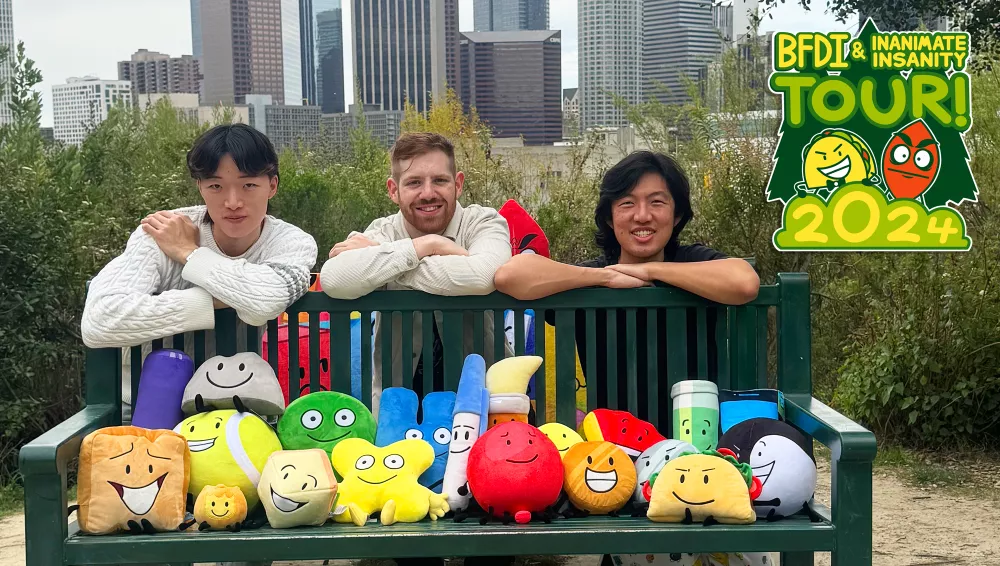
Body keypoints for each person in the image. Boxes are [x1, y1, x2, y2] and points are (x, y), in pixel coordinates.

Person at [494, 150, 760, 426]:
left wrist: (649, 270)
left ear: (677, 214)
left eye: (657, 202)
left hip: (696, 437)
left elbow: (745, 282)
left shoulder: (694, 263)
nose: (642, 216)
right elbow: (509, 276)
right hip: (614, 443)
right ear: (609, 217)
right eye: (627, 203)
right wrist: (604, 278)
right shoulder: (595, 276)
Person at [81, 123, 319, 422]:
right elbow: (100, 320)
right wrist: (217, 300)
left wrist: (187, 252)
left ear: (272, 185)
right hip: (141, 408)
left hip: (236, 408)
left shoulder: (291, 242)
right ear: (200, 187)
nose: (232, 202)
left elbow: (266, 302)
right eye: (216, 186)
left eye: (249, 185)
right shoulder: (161, 232)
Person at [320, 132, 513, 415]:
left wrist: (387, 263)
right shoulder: (381, 231)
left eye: (439, 180)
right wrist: (427, 245)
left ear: (457, 184)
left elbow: (484, 276)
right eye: (414, 183)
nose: (428, 193)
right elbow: (334, 279)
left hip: (486, 404)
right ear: (393, 190)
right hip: (399, 409)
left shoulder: (483, 222)